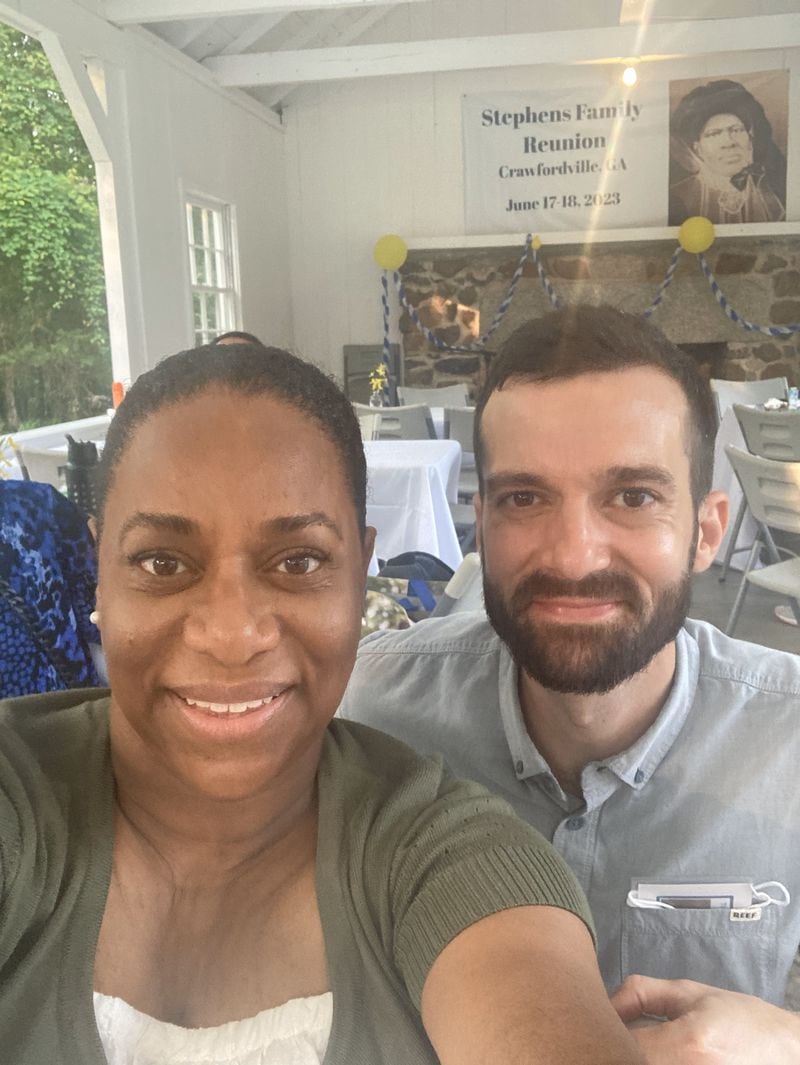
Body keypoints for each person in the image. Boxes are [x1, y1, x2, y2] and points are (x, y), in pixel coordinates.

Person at [0, 341, 645, 1065]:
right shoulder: (19, 793)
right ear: (99, 573)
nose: (232, 635)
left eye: (299, 561)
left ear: (359, 572)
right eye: (162, 562)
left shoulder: (440, 853)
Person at [339, 305, 800, 1064]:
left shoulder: (786, 739)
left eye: (633, 496)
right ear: (479, 524)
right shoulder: (375, 710)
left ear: (707, 531)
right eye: (525, 497)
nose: (576, 554)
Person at [668, 78, 786, 225]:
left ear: (750, 138)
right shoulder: (677, 198)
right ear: (697, 149)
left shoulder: (775, 188)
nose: (729, 142)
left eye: (736, 130)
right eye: (714, 134)